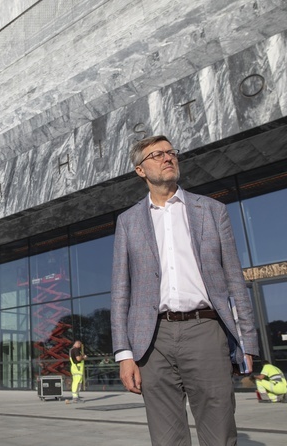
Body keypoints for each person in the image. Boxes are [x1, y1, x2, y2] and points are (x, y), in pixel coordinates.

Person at [110, 135, 259, 445]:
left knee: (219, 432)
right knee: (166, 439)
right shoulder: (128, 222)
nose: (168, 158)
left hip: (205, 330)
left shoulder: (212, 210)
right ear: (141, 170)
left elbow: (234, 279)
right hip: (152, 340)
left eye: (171, 153)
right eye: (157, 155)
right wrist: (124, 354)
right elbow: (120, 291)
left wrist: (247, 340)